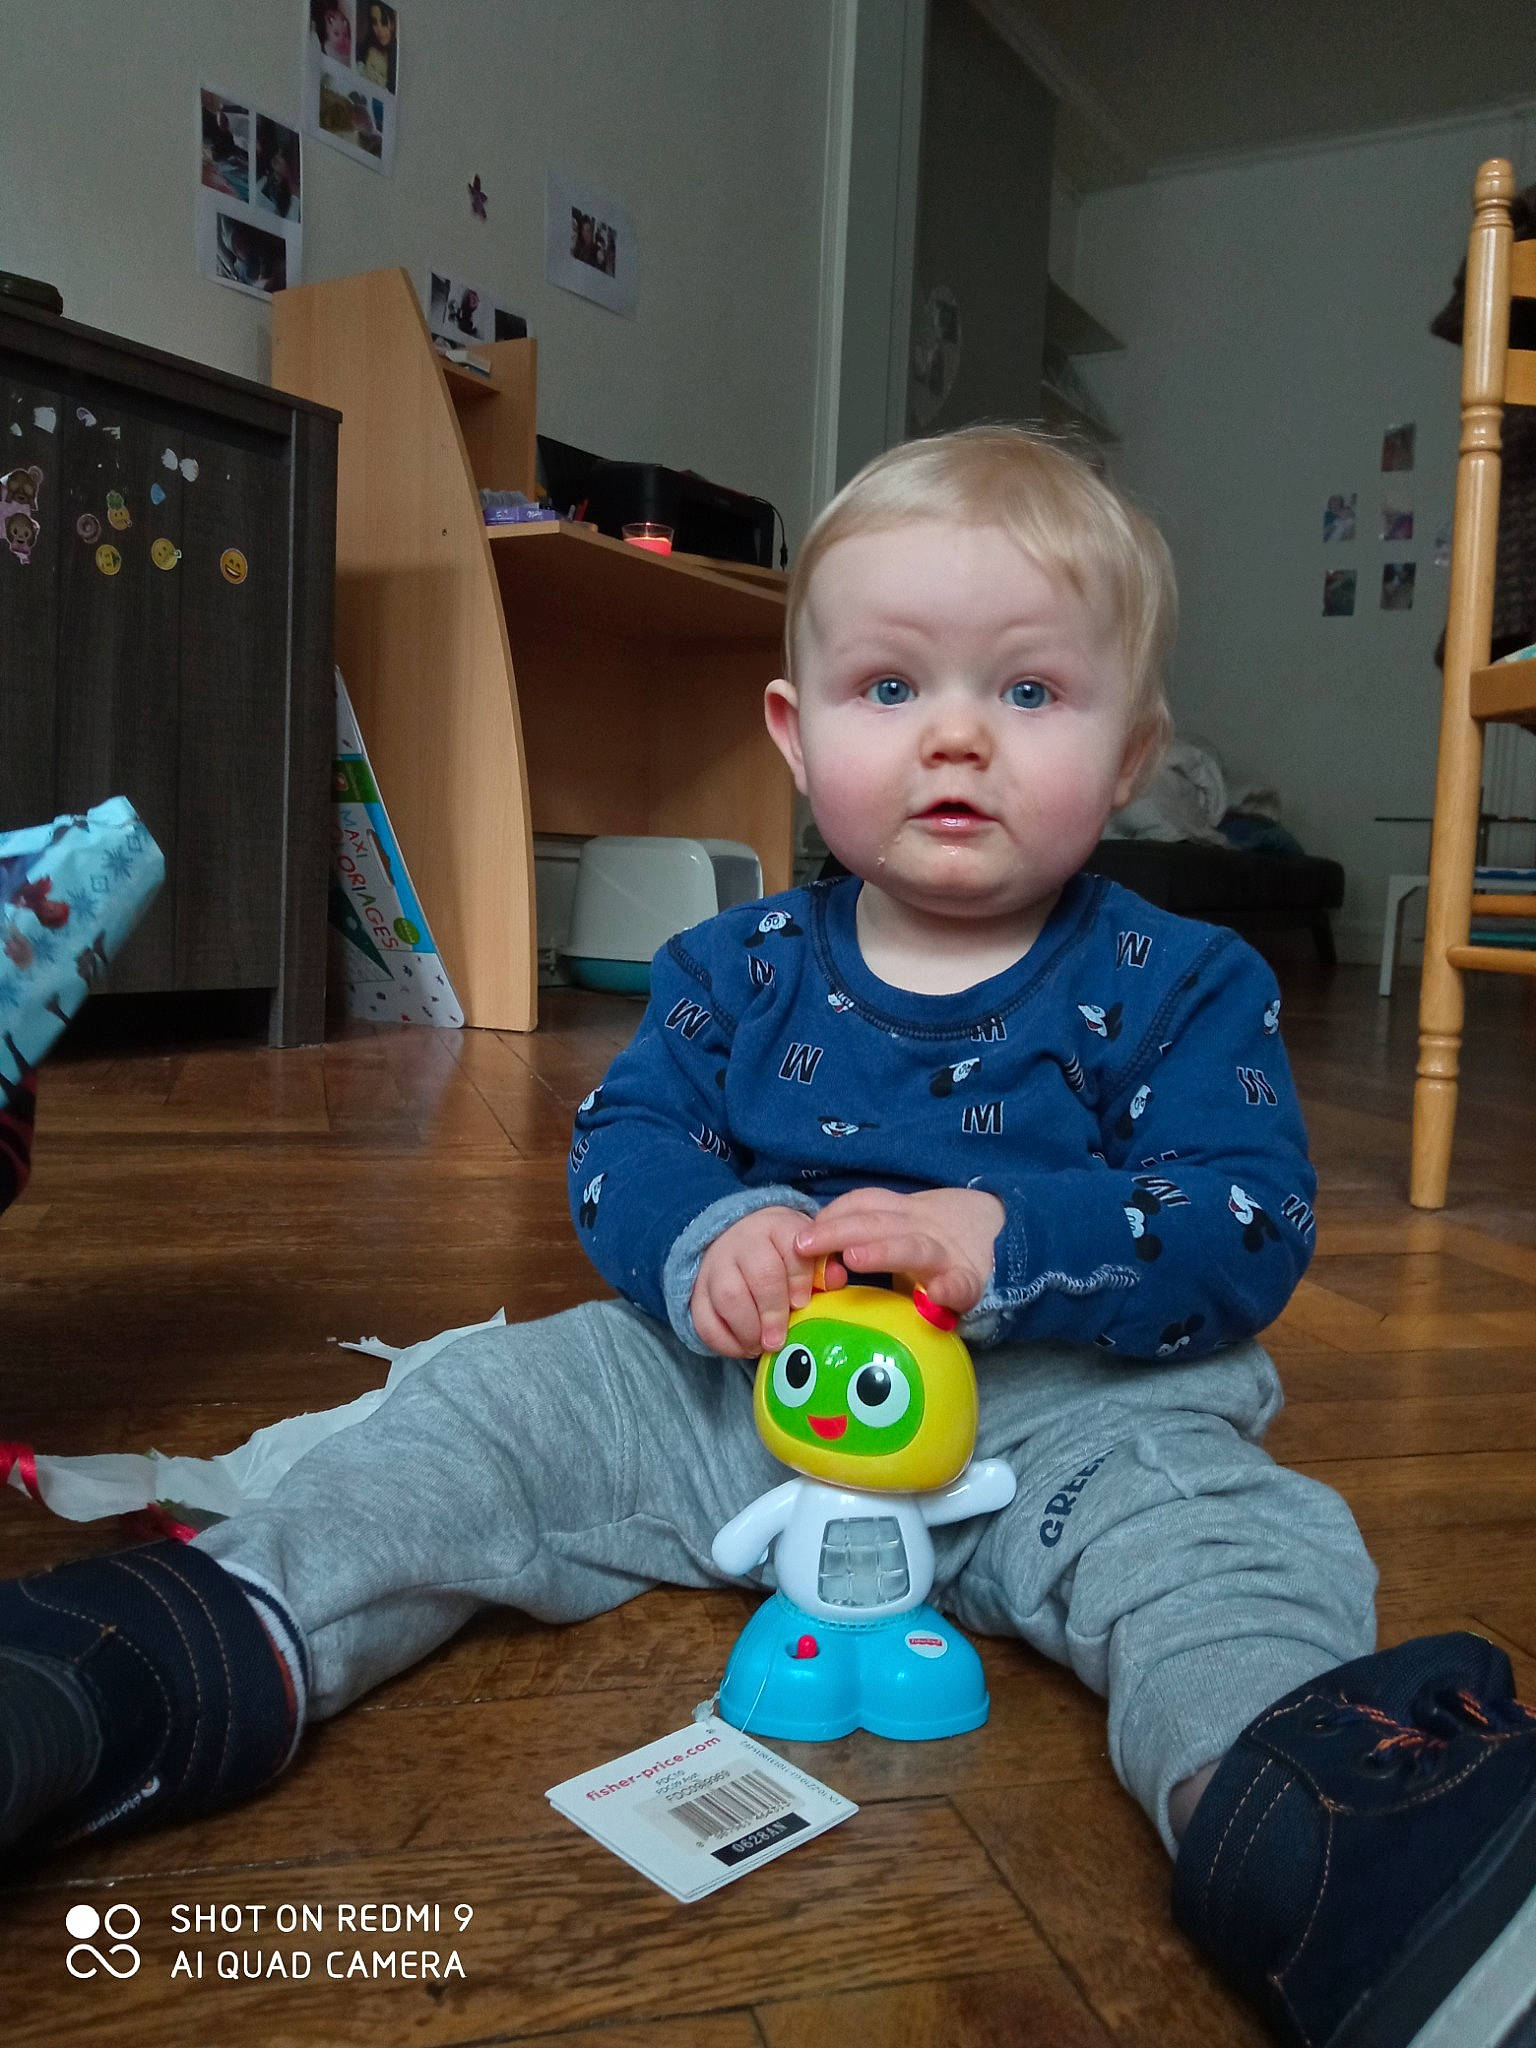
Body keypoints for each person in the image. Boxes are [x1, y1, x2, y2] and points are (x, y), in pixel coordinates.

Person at [2, 428, 1534, 2048]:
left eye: (1027, 693)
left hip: (1074, 1409)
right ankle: (158, 1654)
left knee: (1220, 1542)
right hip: (732, 1394)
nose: (955, 734)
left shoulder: (1185, 975)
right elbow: (624, 1146)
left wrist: (1009, 1231)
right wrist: (711, 1230)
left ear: (1132, 743)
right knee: (477, 1418)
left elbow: (1249, 1213)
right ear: (797, 736)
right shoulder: (730, 967)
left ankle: (1337, 1838)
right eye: (891, 687)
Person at [357, 0, 396, 91]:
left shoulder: (395, 55)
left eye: (384, 23)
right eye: (374, 22)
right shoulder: (366, 45)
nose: (379, 29)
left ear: (393, 23)